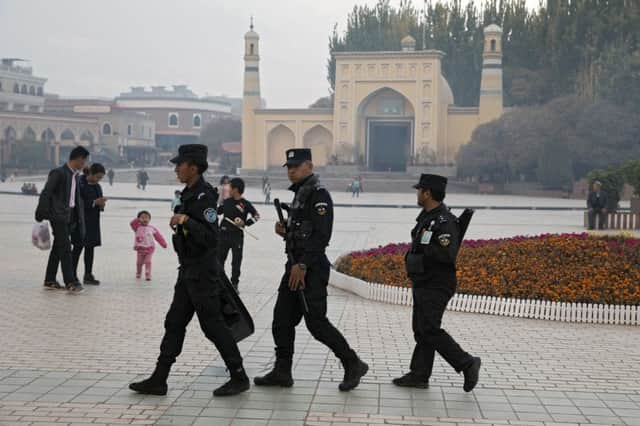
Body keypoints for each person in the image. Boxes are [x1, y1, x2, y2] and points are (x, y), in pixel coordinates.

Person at [129, 144, 250, 397]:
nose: (176, 169)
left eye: (179, 164)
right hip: (188, 271)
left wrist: (186, 221)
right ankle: (159, 378)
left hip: (203, 272)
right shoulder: (188, 194)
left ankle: (239, 376)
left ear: (193, 167)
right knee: (174, 322)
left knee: (213, 326)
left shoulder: (204, 196)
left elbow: (210, 236)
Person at [254, 148, 368, 392]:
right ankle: (282, 371)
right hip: (294, 266)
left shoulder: (319, 196)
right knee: (281, 320)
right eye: (289, 167)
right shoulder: (300, 195)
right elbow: (303, 231)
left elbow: (321, 236)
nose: (291, 170)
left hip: (310, 269)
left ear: (310, 166)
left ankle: (353, 363)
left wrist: (303, 264)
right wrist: (286, 230)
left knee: (316, 323)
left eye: (296, 166)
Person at [397, 173, 481, 392]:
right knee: (421, 329)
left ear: (428, 193)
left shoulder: (445, 222)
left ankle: (467, 363)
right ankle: (419, 374)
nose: (417, 194)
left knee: (430, 329)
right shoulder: (427, 217)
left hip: (437, 283)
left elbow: (446, 254)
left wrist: (423, 254)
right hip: (424, 281)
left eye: (419, 190)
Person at [35, 146, 89, 293]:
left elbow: (74, 199)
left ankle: (50, 279)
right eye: (84, 161)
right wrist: (41, 212)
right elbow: (46, 192)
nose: (84, 164)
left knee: (58, 248)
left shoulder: (75, 176)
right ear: (78, 159)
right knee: (66, 248)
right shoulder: (58, 173)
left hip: (68, 216)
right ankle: (70, 282)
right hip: (57, 215)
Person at [216, 177, 260, 292]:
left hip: (237, 237)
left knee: (236, 262)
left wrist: (245, 223)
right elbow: (216, 212)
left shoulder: (245, 204)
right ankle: (219, 282)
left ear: (235, 189)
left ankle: (234, 284)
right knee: (219, 259)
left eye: (230, 187)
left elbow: (257, 216)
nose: (228, 189)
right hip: (223, 235)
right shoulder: (226, 202)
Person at [72, 164, 107, 285]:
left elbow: (99, 203)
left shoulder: (97, 187)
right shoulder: (79, 183)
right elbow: (77, 203)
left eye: (100, 178)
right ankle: (72, 275)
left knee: (90, 248)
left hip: (93, 221)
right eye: (97, 177)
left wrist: (101, 204)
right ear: (90, 173)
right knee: (77, 248)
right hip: (80, 221)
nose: (98, 180)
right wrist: (93, 202)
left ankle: (88, 274)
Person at [129, 211, 167, 281]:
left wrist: (163, 243)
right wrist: (137, 220)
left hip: (150, 248)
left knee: (148, 261)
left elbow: (158, 236)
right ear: (139, 219)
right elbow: (132, 223)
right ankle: (138, 273)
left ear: (149, 219)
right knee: (139, 263)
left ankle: (148, 274)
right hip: (140, 248)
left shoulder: (152, 228)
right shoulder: (137, 227)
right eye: (142, 218)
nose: (145, 219)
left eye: (147, 218)